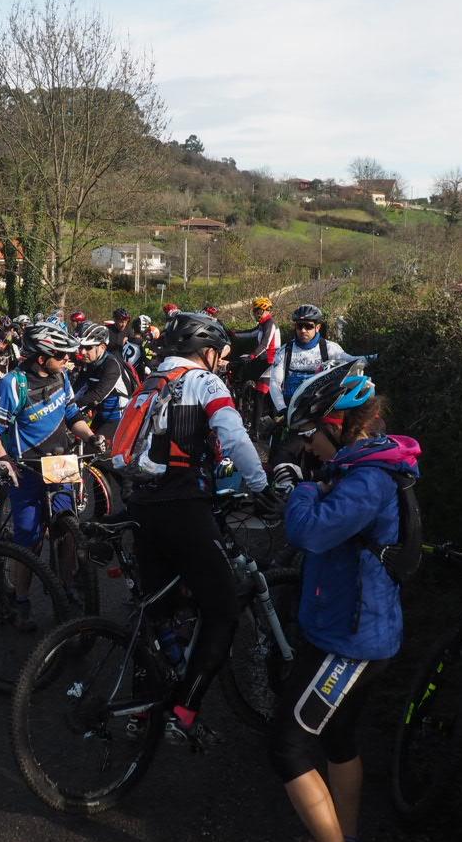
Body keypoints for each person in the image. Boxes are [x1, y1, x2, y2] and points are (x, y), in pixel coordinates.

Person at [272, 373, 420, 842]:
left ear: (337, 426)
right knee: (338, 738)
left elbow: (310, 532)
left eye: (310, 433)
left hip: (349, 640)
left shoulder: (369, 478)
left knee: (287, 747)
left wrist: (299, 486)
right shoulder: (363, 464)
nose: (307, 445)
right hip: (353, 628)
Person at [127, 311, 276, 748]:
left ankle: (141, 707)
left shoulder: (150, 382)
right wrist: (262, 486)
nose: (221, 360)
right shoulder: (204, 382)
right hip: (183, 505)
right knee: (223, 610)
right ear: (205, 351)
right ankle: (185, 714)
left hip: (140, 504)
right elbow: (234, 436)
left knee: (158, 609)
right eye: (218, 352)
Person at [0, 322, 104, 626]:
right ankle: (21, 600)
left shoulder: (62, 377)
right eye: (61, 355)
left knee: (70, 531)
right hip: (26, 469)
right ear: (40, 358)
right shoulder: (13, 384)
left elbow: (72, 416)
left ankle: (64, 587)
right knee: (30, 540)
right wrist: (3, 459)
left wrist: (91, 437)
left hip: (60, 464)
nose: (67, 359)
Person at [268, 305, 359, 468]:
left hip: (321, 415)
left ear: (318, 327)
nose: (303, 330)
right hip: (292, 414)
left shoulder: (330, 348)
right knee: (279, 455)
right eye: (299, 326)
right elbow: (274, 382)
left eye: (308, 326)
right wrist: (282, 409)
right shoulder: (285, 351)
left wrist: (376, 357)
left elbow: (352, 361)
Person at [72, 322, 135, 442]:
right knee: (80, 443)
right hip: (101, 414)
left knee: (93, 448)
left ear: (102, 347)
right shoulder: (90, 363)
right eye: (81, 347)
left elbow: (98, 394)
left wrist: (73, 407)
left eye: (88, 347)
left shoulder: (112, 365)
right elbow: (78, 388)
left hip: (117, 416)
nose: (82, 352)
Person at [236, 296, 280, 424]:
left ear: (262, 310)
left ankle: (257, 428)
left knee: (260, 395)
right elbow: (250, 333)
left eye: (256, 311)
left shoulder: (270, 323)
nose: (254, 313)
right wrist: (233, 333)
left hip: (270, 362)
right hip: (263, 360)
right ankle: (265, 423)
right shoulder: (262, 324)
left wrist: (252, 356)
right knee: (263, 395)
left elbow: (265, 344)